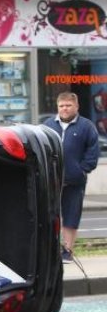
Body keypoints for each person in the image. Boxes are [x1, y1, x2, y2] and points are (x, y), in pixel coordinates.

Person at [43, 91, 100, 263]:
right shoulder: (47, 125)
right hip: (51, 181)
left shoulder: (87, 126)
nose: (64, 109)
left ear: (76, 106)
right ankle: (51, 250)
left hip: (75, 182)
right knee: (49, 215)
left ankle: (67, 251)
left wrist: (81, 170)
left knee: (71, 216)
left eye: (68, 105)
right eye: (61, 106)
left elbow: (92, 152)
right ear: (57, 107)